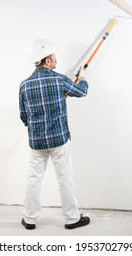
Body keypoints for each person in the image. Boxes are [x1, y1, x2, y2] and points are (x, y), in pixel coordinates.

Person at [19, 39, 90, 230]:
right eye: (54, 57)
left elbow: (23, 116)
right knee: (65, 178)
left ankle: (30, 219)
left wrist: (36, 126)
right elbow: (81, 92)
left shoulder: (24, 86)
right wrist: (82, 78)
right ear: (47, 61)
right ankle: (72, 218)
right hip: (59, 140)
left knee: (34, 179)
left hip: (37, 142)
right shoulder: (59, 80)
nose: (56, 60)